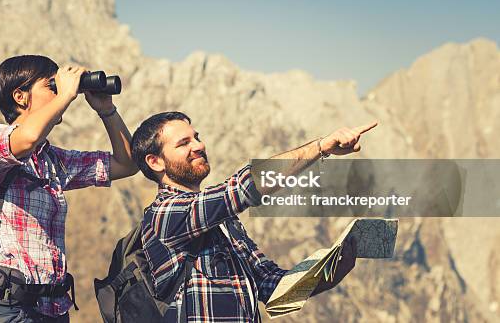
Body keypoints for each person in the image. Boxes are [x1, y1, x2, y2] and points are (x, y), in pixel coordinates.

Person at [131, 111, 377, 322]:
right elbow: (243, 188)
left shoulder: (223, 221)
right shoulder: (164, 214)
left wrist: (329, 272)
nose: (198, 145)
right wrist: (321, 147)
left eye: (197, 137)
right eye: (183, 143)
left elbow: (270, 284)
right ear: (155, 162)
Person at [0, 55, 138, 322]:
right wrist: (65, 95)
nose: (62, 93)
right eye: (51, 85)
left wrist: (106, 110)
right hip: (3, 310)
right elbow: (27, 137)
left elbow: (126, 164)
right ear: (20, 97)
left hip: (52, 308)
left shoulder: (53, 161)